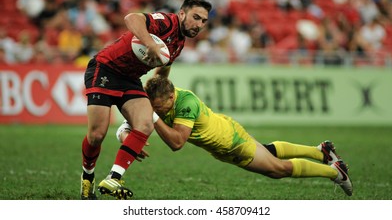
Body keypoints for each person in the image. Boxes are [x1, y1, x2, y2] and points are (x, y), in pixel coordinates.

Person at [117, 75, 353, 197]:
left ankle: (335, 172)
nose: (156, 111)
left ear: (170, 98)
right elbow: (137, 118)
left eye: (159, 108)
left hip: (233, 143)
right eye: (154, 108)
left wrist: (154, 118)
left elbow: (177, 143)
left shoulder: (185, 104)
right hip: (225, 138)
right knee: (269, 151)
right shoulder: (161, 99)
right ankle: (320, 151)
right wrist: (125, 131)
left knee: (277, 170)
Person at [80, 0, 212, 200]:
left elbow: (161, 72)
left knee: (146, 123)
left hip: (131, 79)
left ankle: (114, 177)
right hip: (106, 69)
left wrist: (152, 95)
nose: (199, 24)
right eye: (196, 17)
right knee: (97, 135)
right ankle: (88, 176)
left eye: (203, 21)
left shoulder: (179, 44)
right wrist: (150, 42)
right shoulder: (167, 22)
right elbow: (132, 18)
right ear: (182, 13)